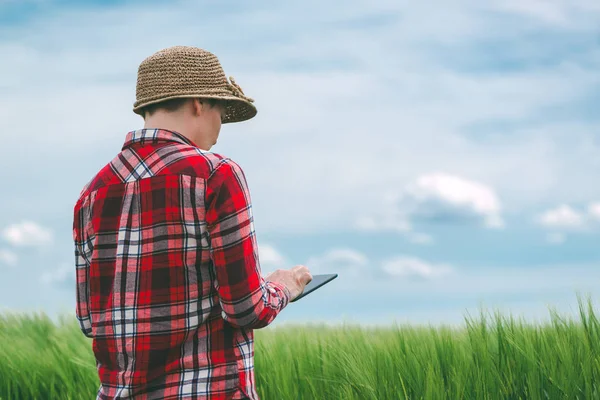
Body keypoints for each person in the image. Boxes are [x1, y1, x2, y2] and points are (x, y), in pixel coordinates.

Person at [72, 45, 312, 400]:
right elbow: (246, 309)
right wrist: (282, 288)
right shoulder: (216, 174)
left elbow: (90, 321)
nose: (219, 127)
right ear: (199, 104)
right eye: (220, 111)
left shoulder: (91, 193)